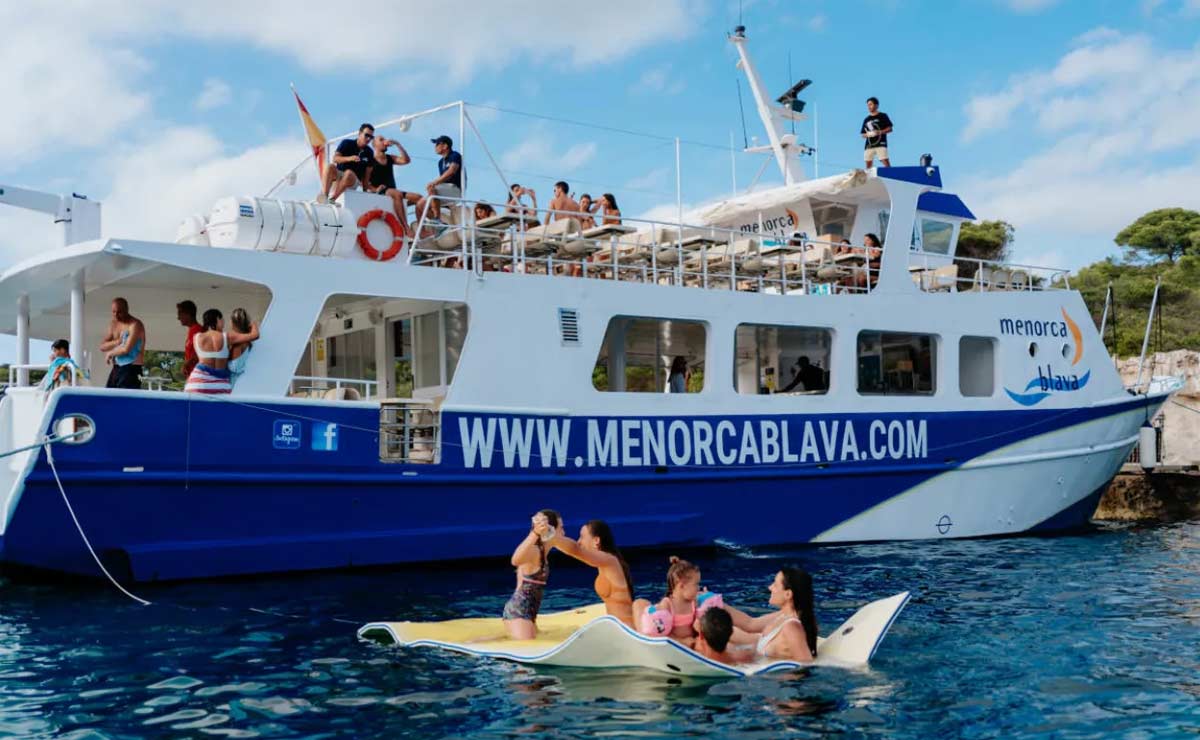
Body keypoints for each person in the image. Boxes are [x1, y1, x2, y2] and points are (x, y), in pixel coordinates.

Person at [546, 519, 634, 626]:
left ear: (596, 540)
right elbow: (574, 550)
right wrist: (553, 540)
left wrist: (550, 534)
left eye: (582, 537)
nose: (579, 541)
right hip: (618, 627)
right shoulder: (606, 562)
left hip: (627, 628)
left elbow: (575, 549)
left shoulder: (609, 560)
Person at [725, 568, 818, 662]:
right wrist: (713, 600)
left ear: (788, 594)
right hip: (757, 652)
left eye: (775, 585)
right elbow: (750, 624)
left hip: (767, 672)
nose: (770, 587)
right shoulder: (783, 616)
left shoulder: (792, 627)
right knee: (720, 630)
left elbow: (805, 663)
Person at [504, 510, 563, 639]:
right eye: (561, 528)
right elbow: (515, 560)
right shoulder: (534, 551)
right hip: (519, 612)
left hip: (530, 612)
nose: (563, 532)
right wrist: (535, 532)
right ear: (550, 530)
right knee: (524, 647)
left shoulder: (545, 549)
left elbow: (572, 548)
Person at [632, 556, 705, 646]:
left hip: (691, 642)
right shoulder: (667, 605)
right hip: (673, 645)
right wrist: (681, 642)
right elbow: (661, 634)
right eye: (696, 584)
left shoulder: (694, 603)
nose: (698, 588)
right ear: (682, 586)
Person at [185, 308, 259, 394]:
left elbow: (197, 357)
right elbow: (255, 335)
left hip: (198, 383)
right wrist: (253, 324)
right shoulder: (227, 337)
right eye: (222, 320)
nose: (223, 324)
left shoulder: (197, 337)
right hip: (220, 384)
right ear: (217, 319)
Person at [367, 135, 412, 236]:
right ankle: (406, 228)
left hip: (393, 191)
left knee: (419, 198)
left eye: (384, 139)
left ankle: (423, 230)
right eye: (381, 140)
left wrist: (397, 144)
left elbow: (406, 161)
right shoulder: (370, 161)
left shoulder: (390, 158)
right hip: (380, 192)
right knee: (397, 194)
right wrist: (375, 189)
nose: (384, 141)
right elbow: (363, 182)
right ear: (374, 145)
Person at [412, 135, 464, 223]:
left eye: (437, 144)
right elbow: (443, 179)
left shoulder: (455, 155)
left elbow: (452, 171)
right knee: (420, 205)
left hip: (455, 189)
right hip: (445, 190)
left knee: (432, 188)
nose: (435, 147)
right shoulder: (440, 162)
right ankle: (439, 225)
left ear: (445, 146)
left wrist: (434, 182)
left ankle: (437, 218)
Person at [320, 123, 375, 203]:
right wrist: (350, 158)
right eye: (366, 135)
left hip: (353, 180)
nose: (368, 139)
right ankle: (324, 197)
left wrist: (365, 193)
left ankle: (333, 199)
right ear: (359, 133)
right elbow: (335, 159)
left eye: (371, 137)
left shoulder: (369, 152)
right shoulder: (346, 143)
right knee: (329, 167)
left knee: (349, 173)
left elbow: (367, 176)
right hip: (339, 176)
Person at [99, 297, 146, 389]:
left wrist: (110, 353)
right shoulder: (113, 324)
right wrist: (117, 342)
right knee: (108, 398)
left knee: (126, 400)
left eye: (119, 312)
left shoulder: (135, 324)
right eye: (113, 312)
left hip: (132, 369)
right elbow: (102, 346)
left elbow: (126, 349)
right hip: (116, 368)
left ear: (127, 310)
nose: (116, 315)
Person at [227, 307, 258, 386]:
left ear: (232, 323)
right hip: (244, 383)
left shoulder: (238, 343)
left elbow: (235, 367)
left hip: (234, 385)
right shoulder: (248, 342)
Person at [861, 97, 893, 168]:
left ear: (876, 105)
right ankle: (869, 177)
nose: (869, 107)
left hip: (881, 143)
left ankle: (890, 174)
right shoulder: (866, 119)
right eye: (868, 105)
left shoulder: (883, 116)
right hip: (869, 145)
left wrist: (879, 132)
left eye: (870, 104)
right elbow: (862, 134)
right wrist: (869, 134)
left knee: (884, 160)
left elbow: (890, 128)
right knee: (868, 162)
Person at [177, 300, 202, 378]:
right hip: (192, 376)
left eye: (180, 314)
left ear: (188, 314)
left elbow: (200, 353)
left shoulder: (199, 330)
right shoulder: (192, 330)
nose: (178, 318)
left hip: (198, 376)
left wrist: (186, 364)